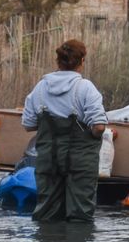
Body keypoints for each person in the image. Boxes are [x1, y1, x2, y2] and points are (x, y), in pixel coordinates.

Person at [22, 39, 107, 222]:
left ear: (58, 61)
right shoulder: (85, 88)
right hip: (80, 163)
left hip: (48, 160)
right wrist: (92, 135)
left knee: (47, 214)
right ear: (82, 61)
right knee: (80, 216)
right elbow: (99, 126)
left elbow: (28, 124)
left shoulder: (41, 87)